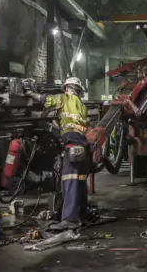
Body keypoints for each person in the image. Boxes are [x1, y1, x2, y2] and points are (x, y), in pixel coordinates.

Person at [24, 77, 94, 230]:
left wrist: (30, 92)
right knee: (80, 182)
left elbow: (46, 99)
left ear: (68, 88)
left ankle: (70, 219)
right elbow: (69, 123)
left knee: (69, 181)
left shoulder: (64, 98)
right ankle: (82, 216)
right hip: (81, 144)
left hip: (72, 144)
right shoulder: (81, 106)